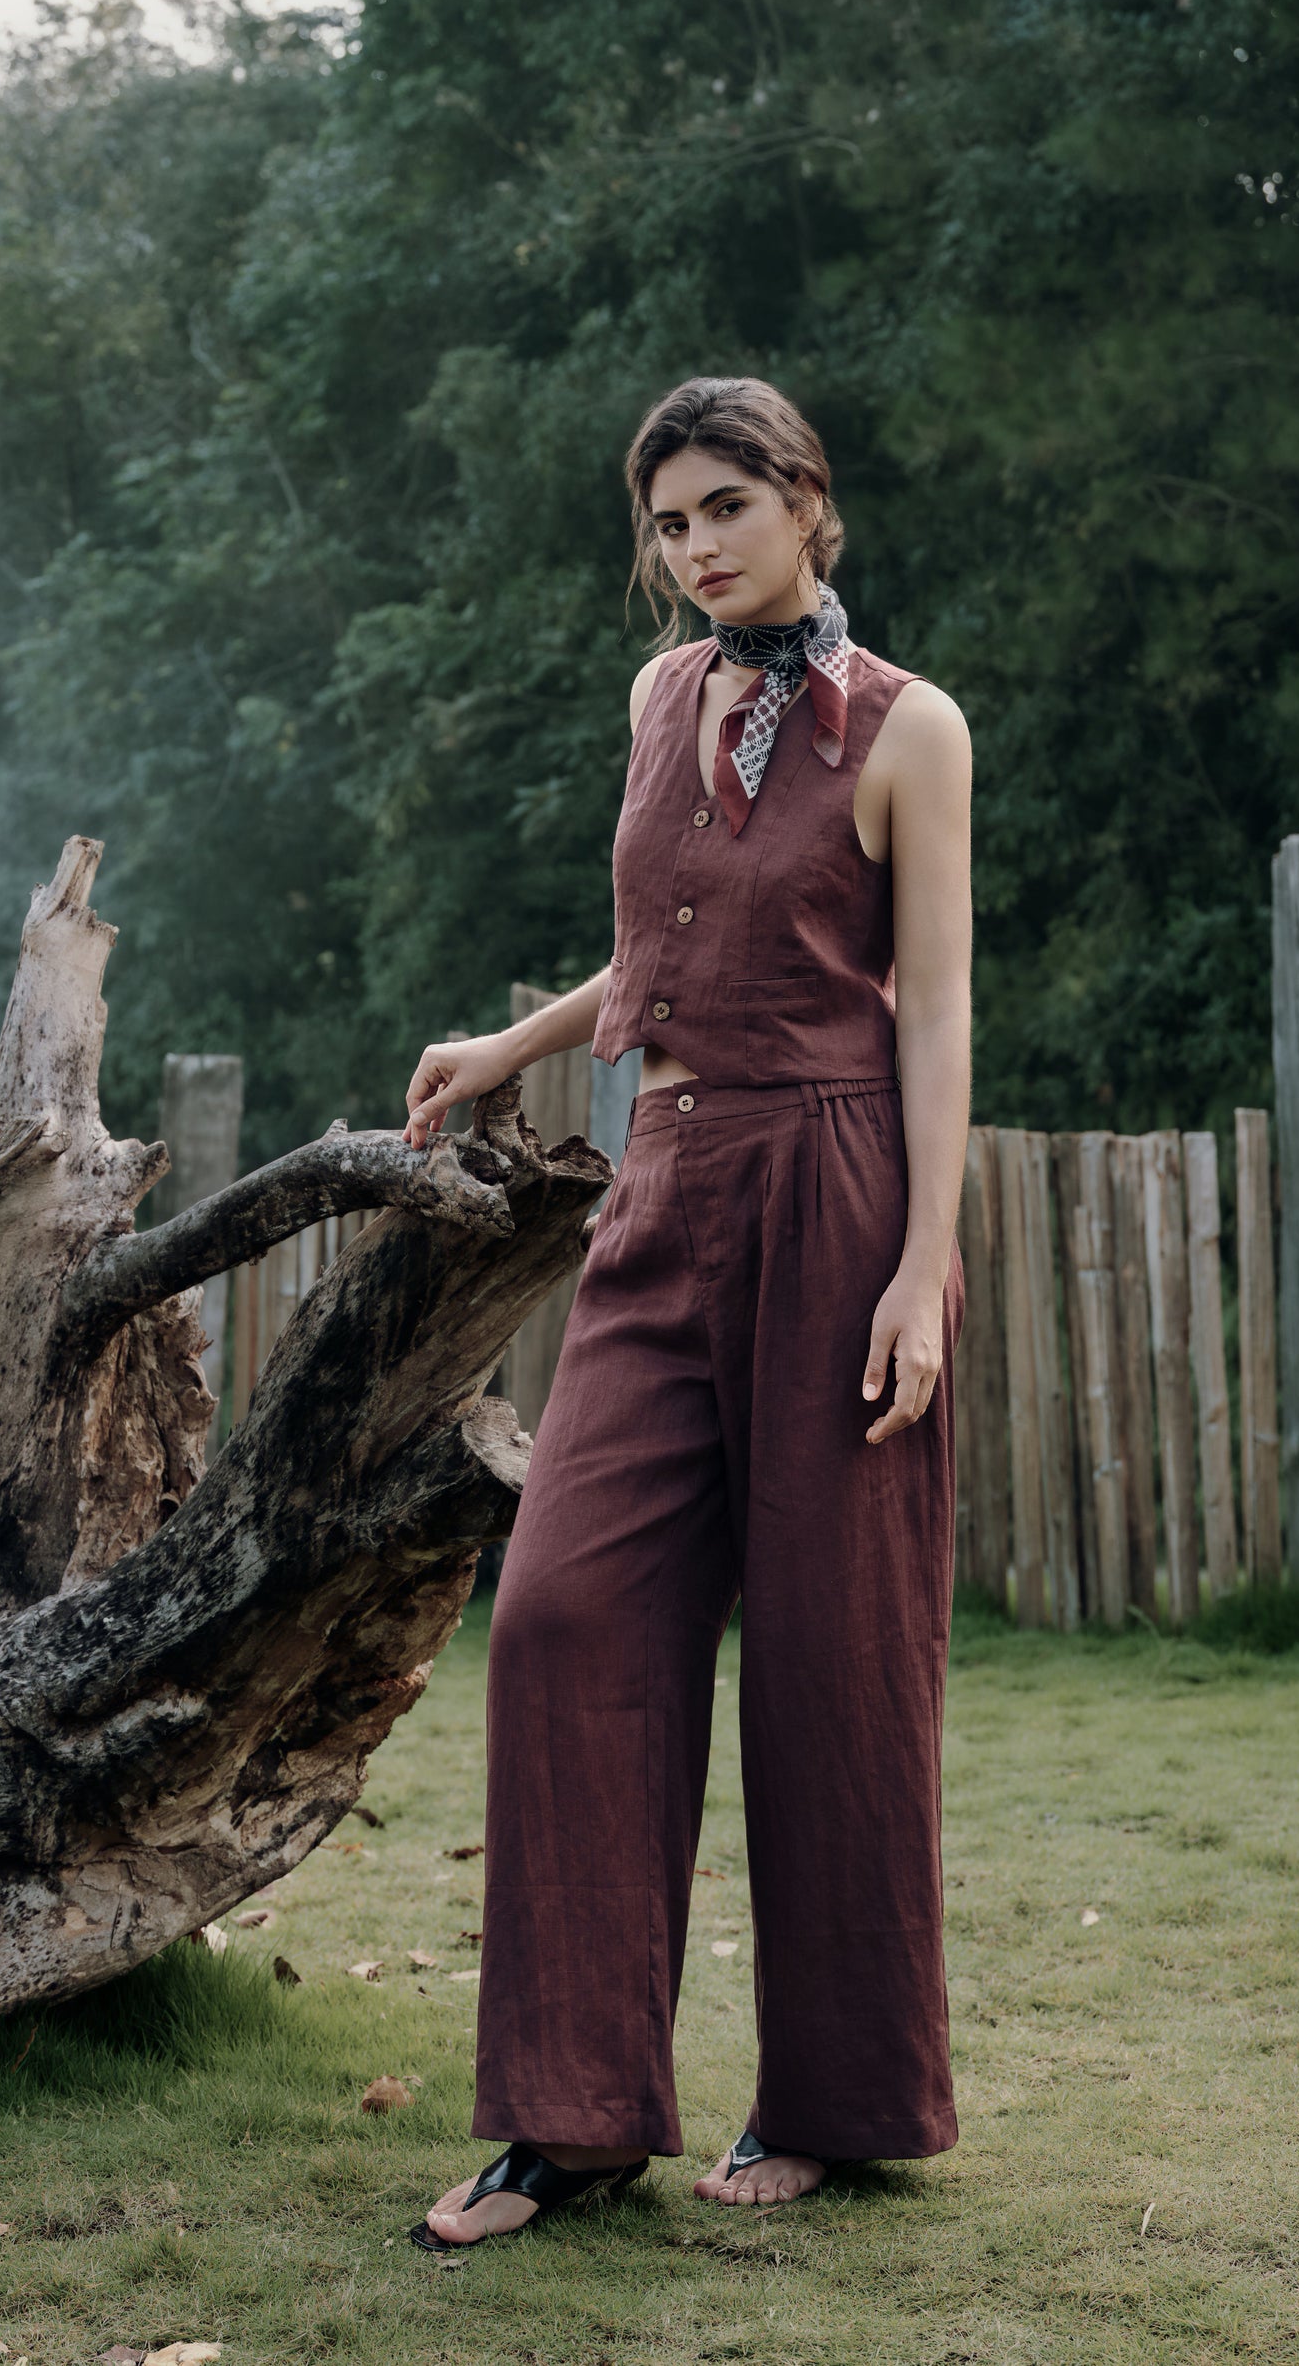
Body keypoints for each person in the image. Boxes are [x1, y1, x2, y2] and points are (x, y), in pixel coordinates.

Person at [400, 375, 973, 2250]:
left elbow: (940, 1011)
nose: (697, 546)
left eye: (728, 505)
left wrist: (923, 1264)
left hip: (837, 1185)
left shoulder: (910, 730)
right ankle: (567, 2120)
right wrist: (513, 1042)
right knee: (565, 1616)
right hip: (664, 1185)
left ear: (812, 503)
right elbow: (656, 952)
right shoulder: (662, 701)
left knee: (836, 1656)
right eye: (669, 522)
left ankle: (839, 2102)